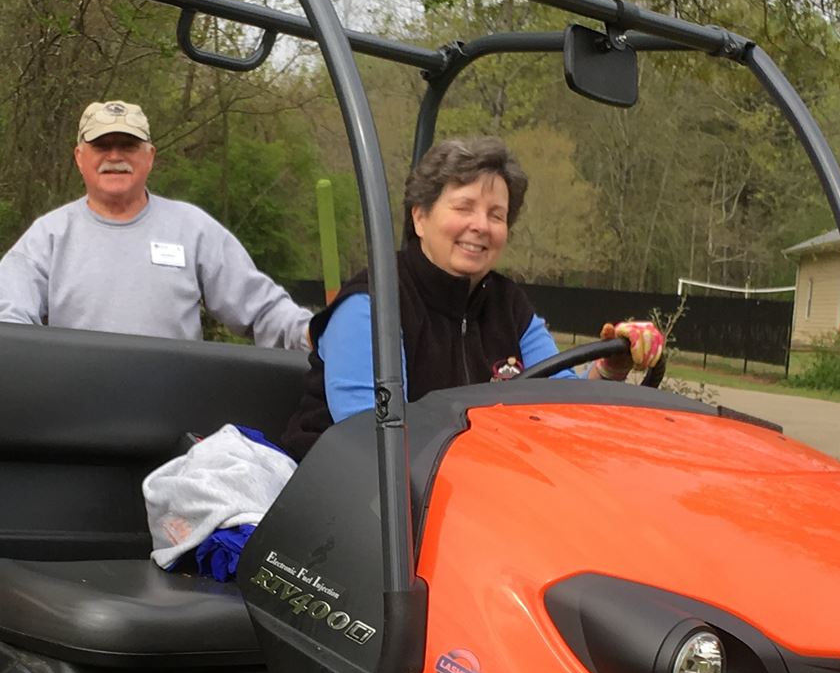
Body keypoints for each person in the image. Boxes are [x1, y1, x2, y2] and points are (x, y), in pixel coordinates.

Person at [283, 136, 663, 455]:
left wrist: (608, 370)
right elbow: (369, 439)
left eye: (496, 215)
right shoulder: (372, 303)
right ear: (419, 217)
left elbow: (561, 407)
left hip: (467, 486)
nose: (480, 226)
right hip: (344, 499)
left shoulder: (509, 306)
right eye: (464, 207)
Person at [0, 99, 313, 347]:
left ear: (150, 157)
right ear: (79, 158)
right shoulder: (48, 235)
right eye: (101, 146)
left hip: (173, 413)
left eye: (128, 145)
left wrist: (318, 335)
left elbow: (263, 310)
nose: (115, 156)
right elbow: (8, 318)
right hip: (72, 409)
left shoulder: (194, 229)